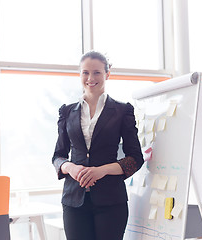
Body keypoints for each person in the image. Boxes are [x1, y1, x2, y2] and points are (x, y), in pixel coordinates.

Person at [52, 50, 144, 240]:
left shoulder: (122, 110)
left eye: (96, 73)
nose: (90, 78)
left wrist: (101, 171)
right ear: (80, 75)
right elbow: (58, 156)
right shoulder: (67, 112)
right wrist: (71, 167)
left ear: (107, 74)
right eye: (85, 72)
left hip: (111, 201)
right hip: (73, 200)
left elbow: (135, 159)